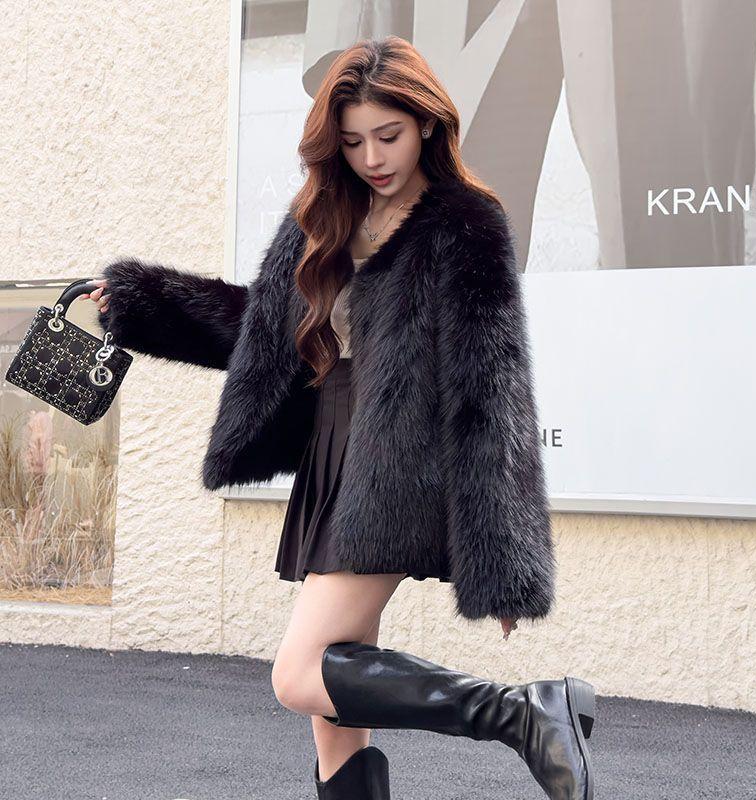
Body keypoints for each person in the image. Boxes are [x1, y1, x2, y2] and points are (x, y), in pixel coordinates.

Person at [83, 36, 595, 800]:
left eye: (388, 135)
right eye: (353, 141)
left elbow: (491, 389)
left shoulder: (464, 222)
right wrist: (143, 302)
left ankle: (521, 713)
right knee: (335, 712)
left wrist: (504, 563)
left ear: (426, 123)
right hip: (333, 452)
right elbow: (267, 335)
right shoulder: (321, 216)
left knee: (299, 674)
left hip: (398, 463)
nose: (372, 157)